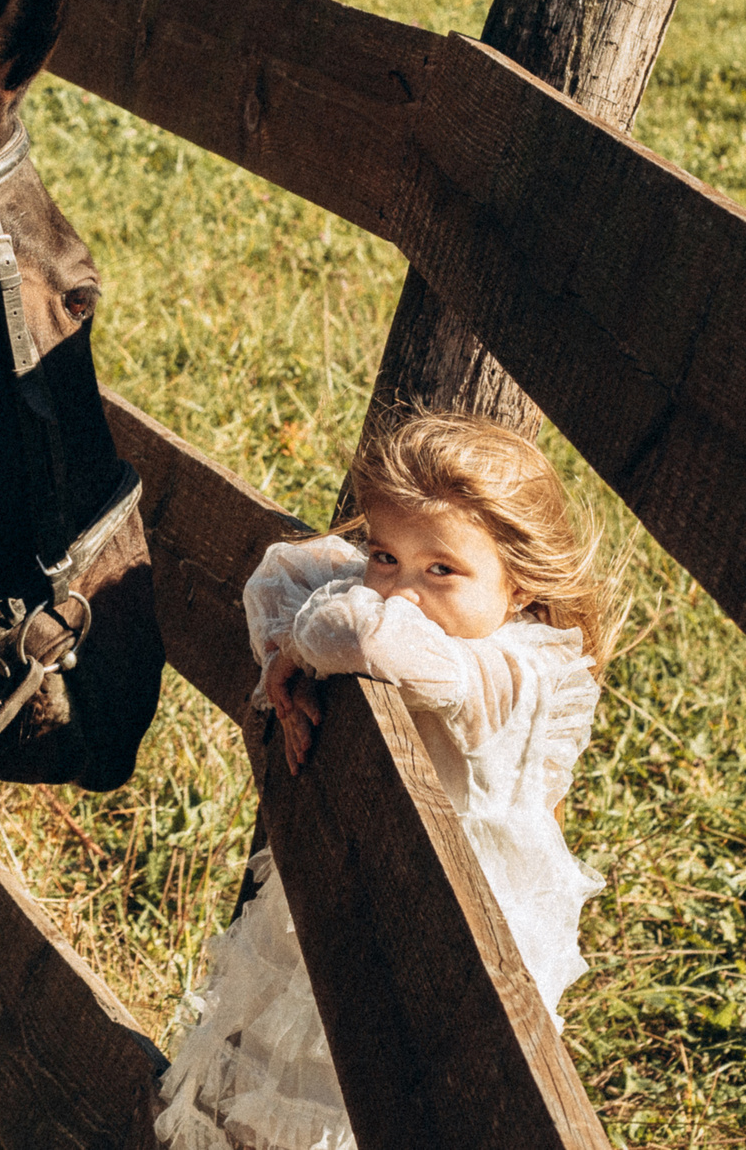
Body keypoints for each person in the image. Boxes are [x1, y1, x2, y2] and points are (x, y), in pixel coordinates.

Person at [155, 411, 624, 1150]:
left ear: (521, 582)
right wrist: (294, 641)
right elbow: (282, 569)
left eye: (442, 569)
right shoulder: (419, 610)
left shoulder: (516, 672)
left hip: (445, 972)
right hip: (342, 911)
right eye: (384, 556)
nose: (402, 591)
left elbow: (367, 633)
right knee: (280, 1092)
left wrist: (301, 650)